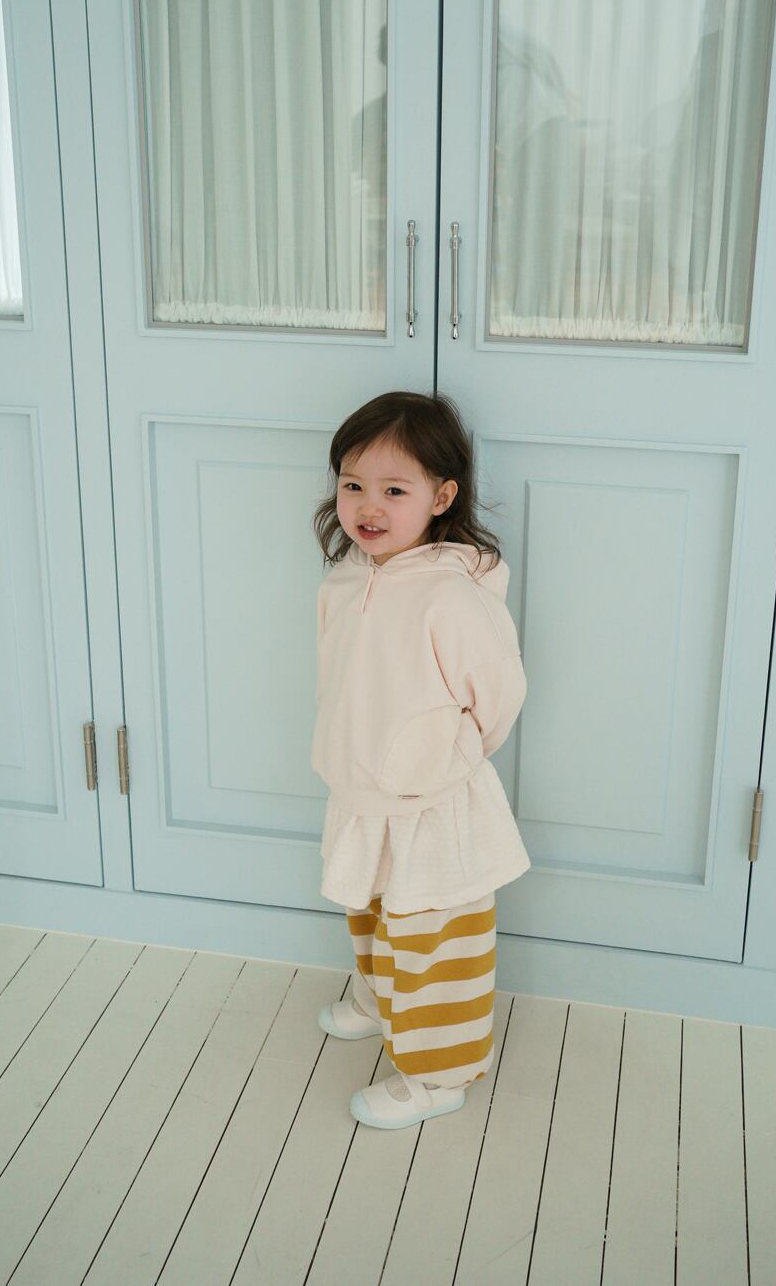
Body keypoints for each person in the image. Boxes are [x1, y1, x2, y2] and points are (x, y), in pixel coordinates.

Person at [309, 389, 531, 1130]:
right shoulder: (345, 580)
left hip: (432, 803)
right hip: (362, 792)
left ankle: (439, 1075)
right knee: (371, 910)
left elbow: (498, 693)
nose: (368, 506)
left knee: (433, 941)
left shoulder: (451, 598)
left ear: (441, 497)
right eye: (353, 485)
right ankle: (380, 999)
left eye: (394, 491)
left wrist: (445, 754)